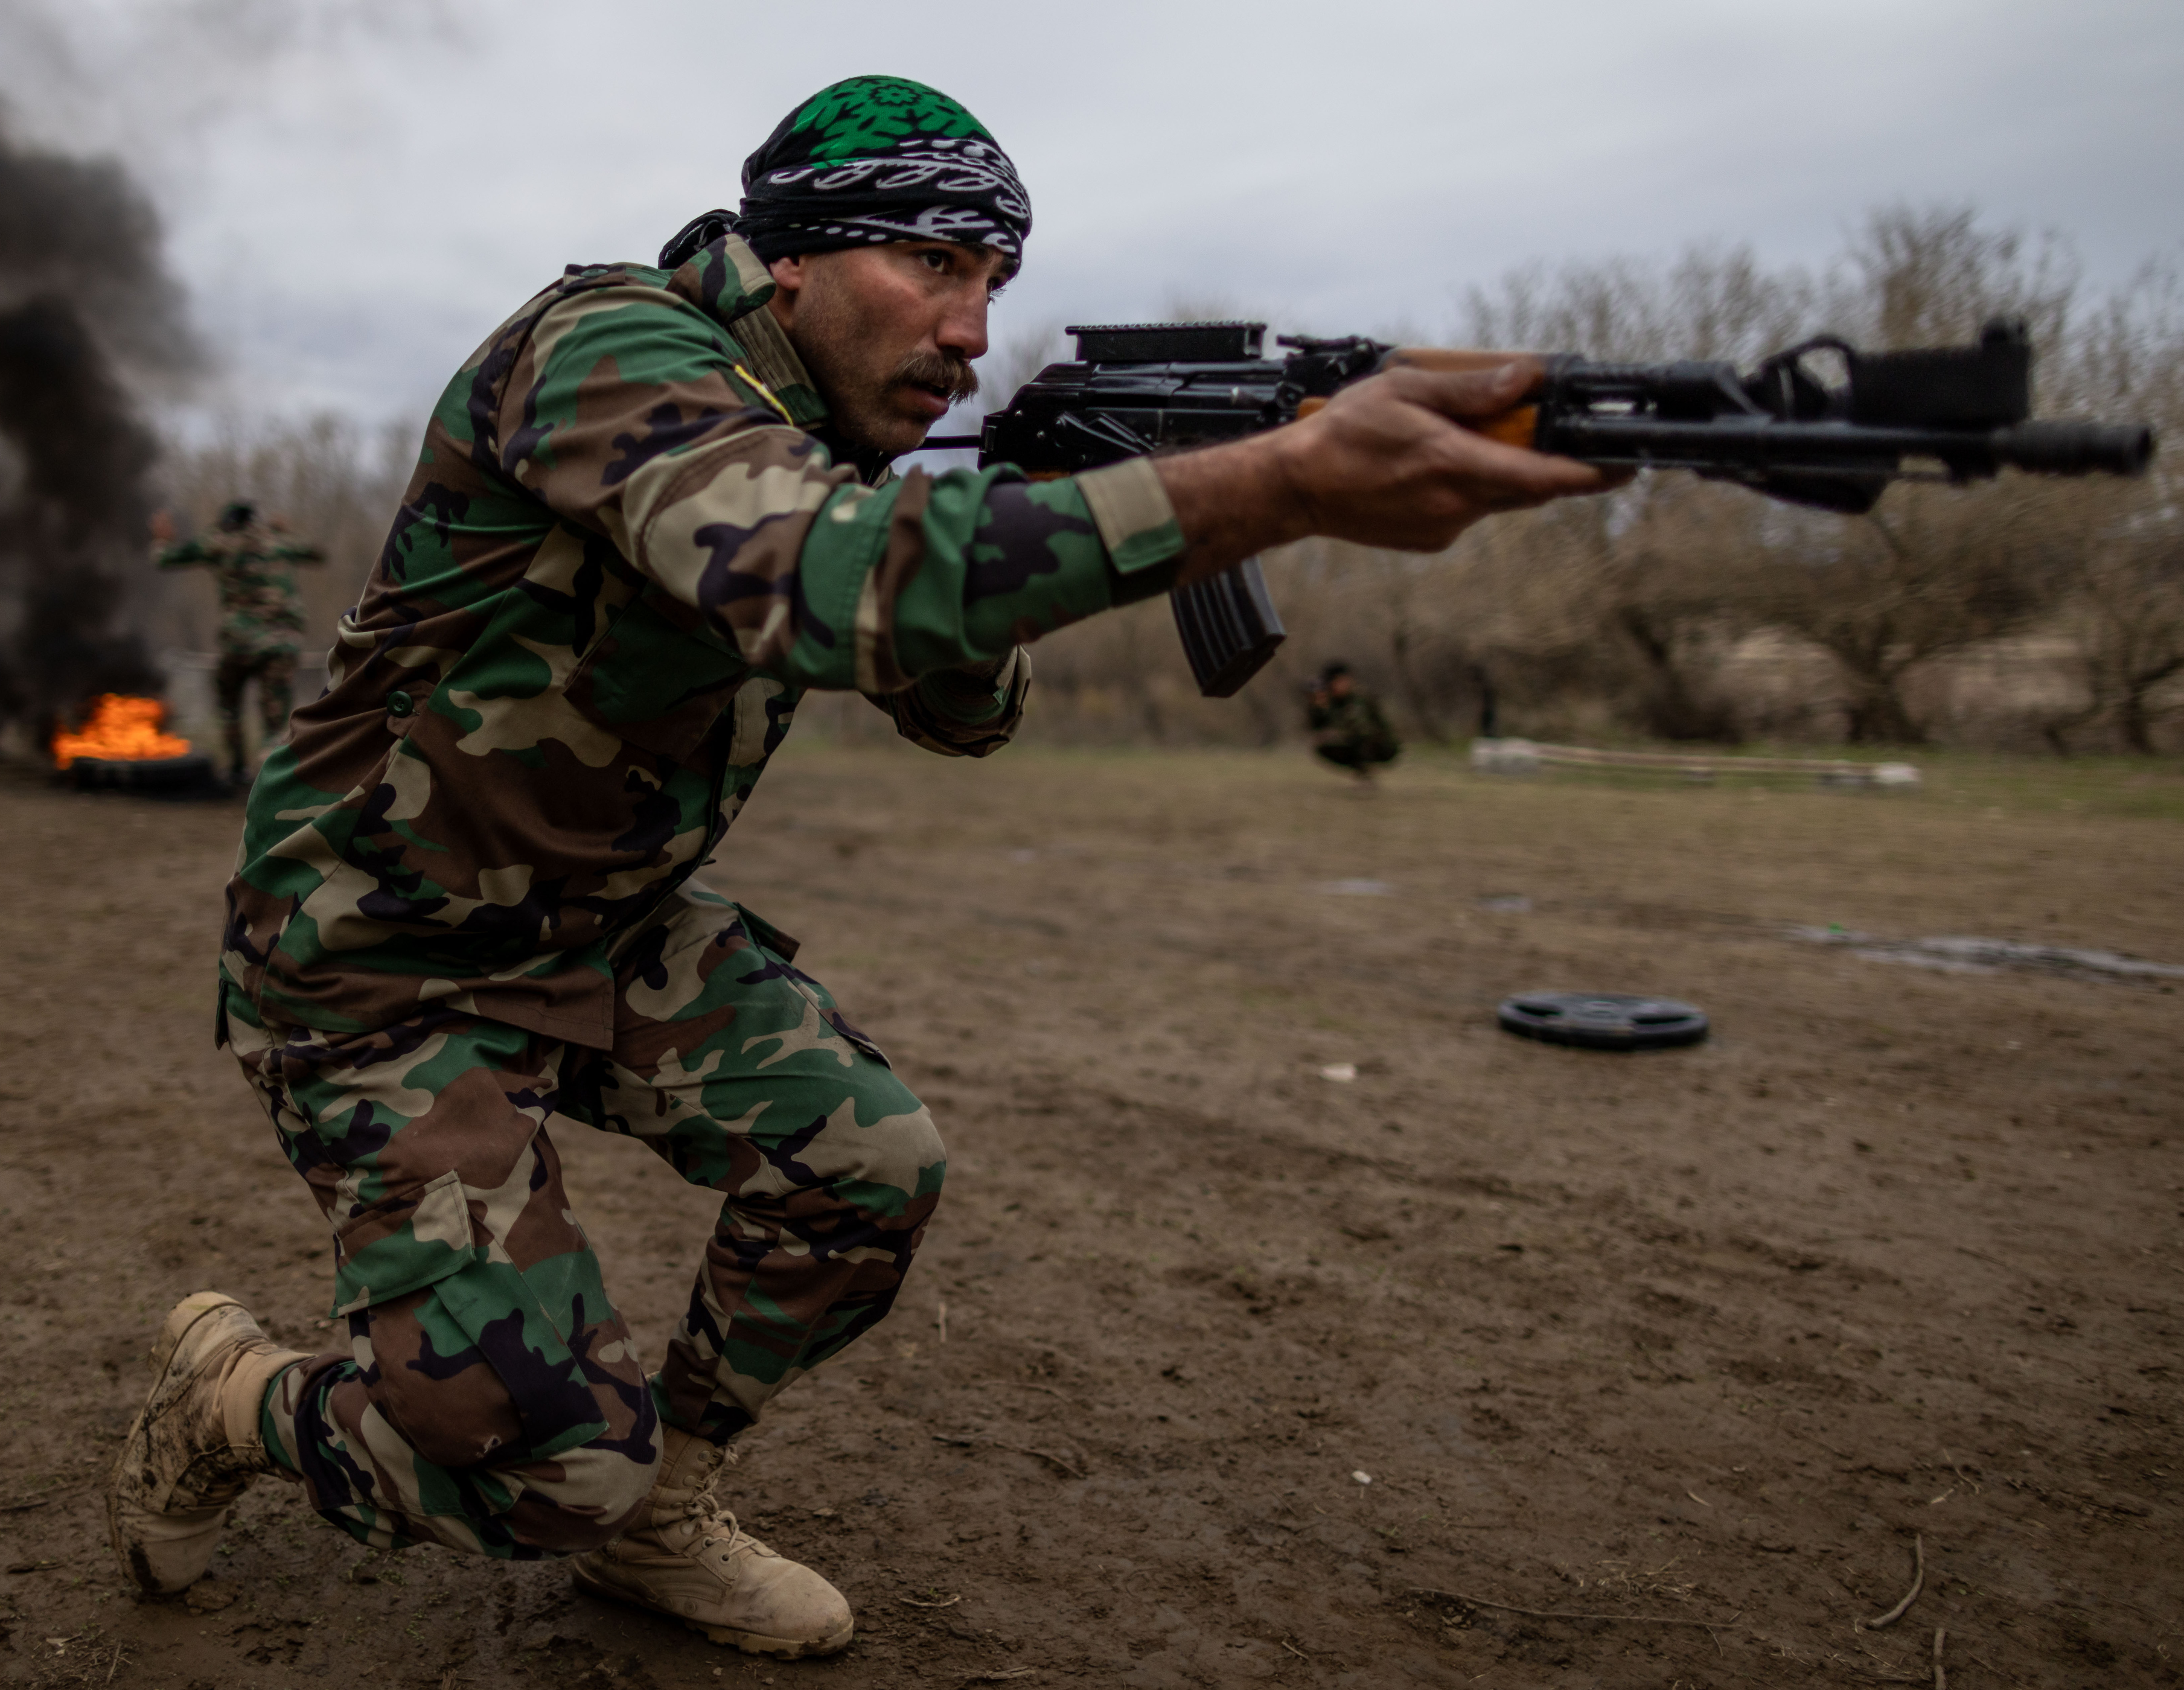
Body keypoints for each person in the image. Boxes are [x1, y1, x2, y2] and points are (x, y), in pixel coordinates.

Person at [106, 74, 1619, 1659]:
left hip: (603, 926)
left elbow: (964, 708)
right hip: (378, 954)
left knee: (867, 1163)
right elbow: (815, 584)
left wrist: (1004, 530)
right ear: (795, 264)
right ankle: (233, 1402)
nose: (973, 328)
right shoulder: (608, 350)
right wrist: (1281, 485)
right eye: (935, 266)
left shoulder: (834, 452)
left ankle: (663, 1514)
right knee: (547, 1469)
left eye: (996, 285)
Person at [152, 500, 326, 785]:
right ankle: (272, 778)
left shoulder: (219, 541)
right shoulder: (277, 541)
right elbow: (317, 554)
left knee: (230, 707)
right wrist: (286, 533)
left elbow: (165, 559)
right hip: (282, 645)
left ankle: (236, 769)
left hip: (240, 644)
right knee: (275, 719)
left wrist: (161, 539)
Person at [1306, 660, 1400, 785]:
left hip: (1380, 744)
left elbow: (1364, 728)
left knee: (1359, 738)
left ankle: (1365, 772)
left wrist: (1336, 734)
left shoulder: (1361, 698)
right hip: (1352, 743)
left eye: (1341, 681)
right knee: (1323, 744)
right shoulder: (1329, 703)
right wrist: (1319, 709)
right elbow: (1317, 728)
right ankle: (1362, 770)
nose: (1337, 686)